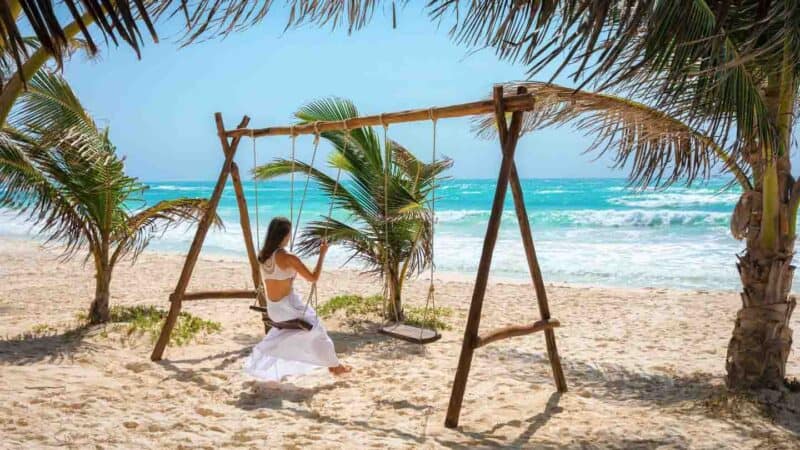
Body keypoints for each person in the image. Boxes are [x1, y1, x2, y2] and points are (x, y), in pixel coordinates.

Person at [243, 217, 351, 380]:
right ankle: (335, 366)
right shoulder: (288, 257)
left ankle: (333, 364)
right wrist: (322, 254)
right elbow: (313, 278)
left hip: (274, 310)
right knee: (317, 329)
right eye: (289, 233)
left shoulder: (264, 256)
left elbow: (278, 277)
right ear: (285, 235)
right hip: (288, 309)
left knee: (299, 333)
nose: (290, 236)